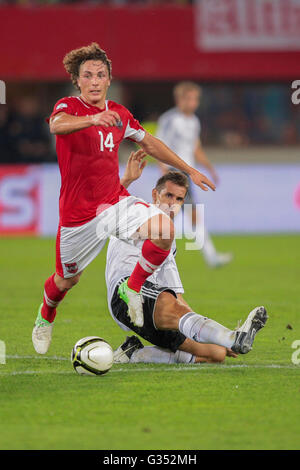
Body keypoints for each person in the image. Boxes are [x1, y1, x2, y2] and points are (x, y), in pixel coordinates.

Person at [32, 43, 216, 355]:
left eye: (100, 75)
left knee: (164, 230)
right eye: (87, 75)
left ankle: (132, 289)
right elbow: (55, 125)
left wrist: (188, 169)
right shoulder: (68, 107)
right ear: (77, 81)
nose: (94, 81)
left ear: (108, 80)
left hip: (113, 204)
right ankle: (45, 316)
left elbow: (152, 142)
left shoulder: (119, 113)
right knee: (65, 281)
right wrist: (92, 120)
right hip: (78, 217)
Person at [106, 152, 268, 365]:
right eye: (168, 196)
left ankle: (132, 354)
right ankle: (234, 338)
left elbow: (177, 296)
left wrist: (205, 332)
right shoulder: (137, 211)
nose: (173, 204)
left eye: (179, 199)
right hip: (126, 294)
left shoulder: (169, 242)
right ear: (155, 194)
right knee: (170, 305)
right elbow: (105, 208)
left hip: (153, 305)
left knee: (216, 354)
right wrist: (126, 179)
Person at [156, 81, 232, 268]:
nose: (193, 103)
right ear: (179, 99)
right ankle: (209, 257)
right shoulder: (170, 120)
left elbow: (196, 149)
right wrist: (164, 173)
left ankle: (209, 257)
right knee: (175, 216)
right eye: (189, 98)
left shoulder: (194, 121)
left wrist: (209, 169)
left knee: (179, 215)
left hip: (187, 174)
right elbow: (158, 146)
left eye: (195, 99)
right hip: (174, 174)